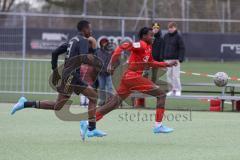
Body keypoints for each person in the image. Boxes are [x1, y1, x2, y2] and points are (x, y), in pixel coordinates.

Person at [11, 20, 107, 140]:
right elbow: (84, 59)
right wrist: (94, 49)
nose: (91, 31)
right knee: (90, 97)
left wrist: (55, 70)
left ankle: (25, 103)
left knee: (68, 103)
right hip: (72, 77)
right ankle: (90, 128)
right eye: (90, 29)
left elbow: (55, 53)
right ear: (84, 30)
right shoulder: (82, 40)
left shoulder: (72, 40)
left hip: (71, 76)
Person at [80, 27, 178, 139]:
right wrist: (111, 64)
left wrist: (167, 64)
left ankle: (87, 123)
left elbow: (150, 62)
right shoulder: (140, 44)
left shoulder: (148, 47)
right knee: (161, 94)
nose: (153, 37)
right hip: (132, 77)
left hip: (129, 79)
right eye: (151, 35)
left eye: (153, 35)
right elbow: (121, 47)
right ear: (144, 36)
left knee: (113, 104)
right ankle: (158, 126)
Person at [163, 22, 185, 96]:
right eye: (169, 28)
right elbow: (163, 47)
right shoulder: (165, 36)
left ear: (175, 28)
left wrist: (180, 58)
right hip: (167, 60)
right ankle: (172, 90)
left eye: (172, 27)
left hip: (175, 60)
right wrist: (162, 56)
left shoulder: (178, 37)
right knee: (169, 76)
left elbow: (182, 48)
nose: (170, 29)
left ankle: (178, 90)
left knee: (175, 76)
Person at [96, 38, 114, 106]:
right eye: (103, 42)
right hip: (100, 73)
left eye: (105, 42)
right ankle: (102, 101)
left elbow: (116, 61)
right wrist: (97, 69)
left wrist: (112, 68)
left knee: (110, 87)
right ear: (100, 43)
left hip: (108, 73)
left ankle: (111, 100)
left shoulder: (110, 51)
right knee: (101, 87)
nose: (104, 44)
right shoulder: (98, 51)